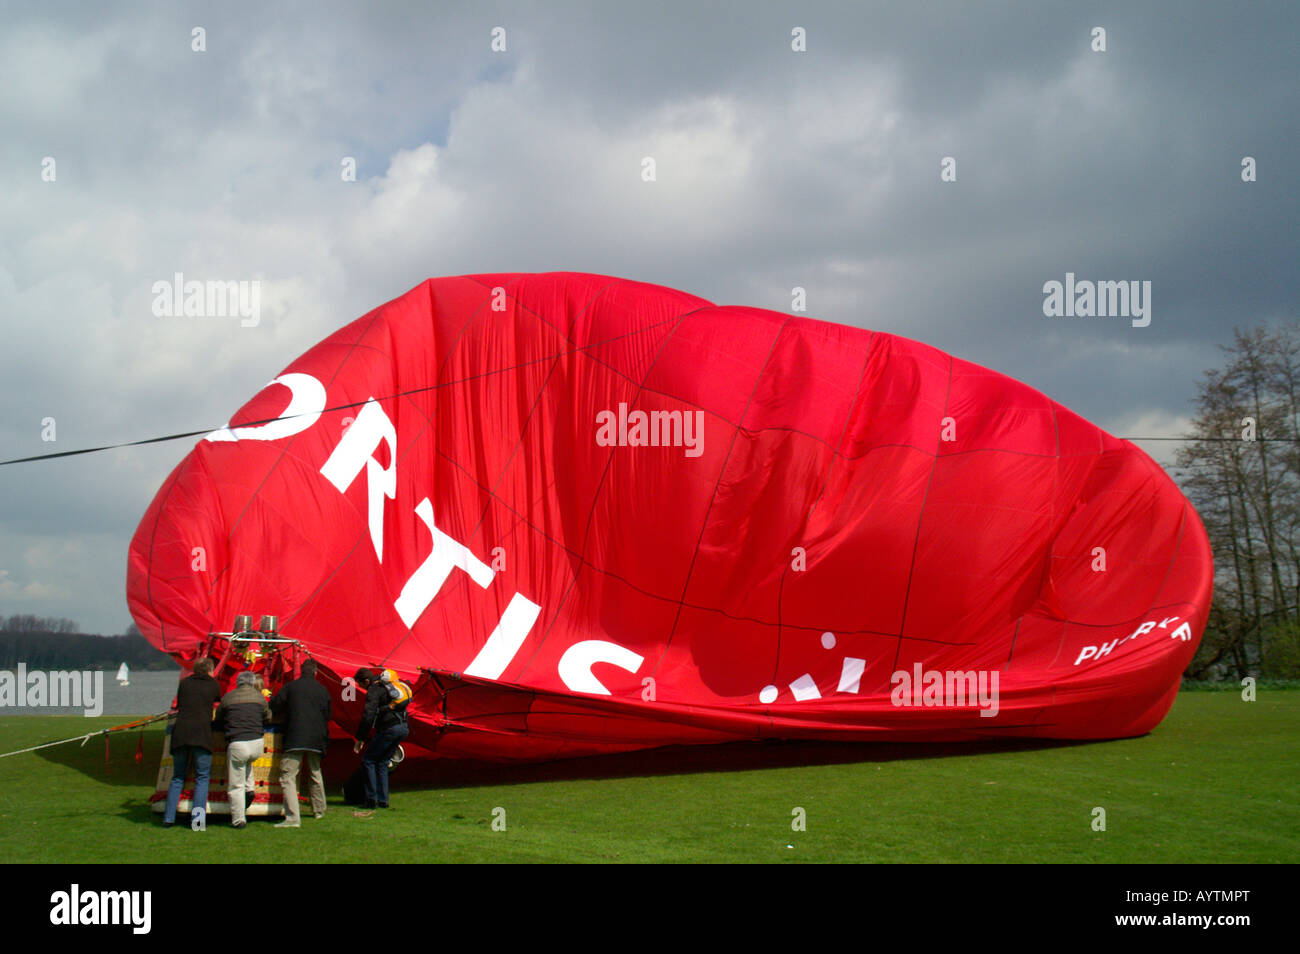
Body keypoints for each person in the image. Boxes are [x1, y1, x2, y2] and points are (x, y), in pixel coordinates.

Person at [269, 658, 332, 828]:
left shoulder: (291, 687)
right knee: (315, 774)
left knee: (287, 776)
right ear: (316, 672)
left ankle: (293, 817)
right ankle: (319, 810)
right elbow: (328, 714)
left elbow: (275, 705)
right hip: (316, 738)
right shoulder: (323, 690)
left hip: (296, 736)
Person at [163, 656, 222, 828]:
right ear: (210, 670)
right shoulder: (213, 685)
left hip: (180, 734)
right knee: (202, 777)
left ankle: (168, 818)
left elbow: (180, 703)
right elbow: (218, 700)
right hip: (201, 735)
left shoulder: (185, 684)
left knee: (177, 777)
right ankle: (197, 820)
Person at [215, 670, 272, 829]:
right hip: (257, 743)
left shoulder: (228, 697)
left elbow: (218, 717)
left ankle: (239, 819)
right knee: (247, 765)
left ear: (238, 683)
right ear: (252, 682)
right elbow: (268, 717)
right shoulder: (260, 698)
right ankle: (250, 790)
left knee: (235, 785)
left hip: (237, 742)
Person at [352, 668, 409, 815]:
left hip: (389, 728)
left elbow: (368, 714)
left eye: (361, 686)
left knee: (368, 760)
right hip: (403, 727)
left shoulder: (374, 689)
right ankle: (383, 800)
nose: (362, 689)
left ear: (366, 681)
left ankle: (371, 799)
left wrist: (360, 737)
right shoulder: (387, 686)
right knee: (383, 762)